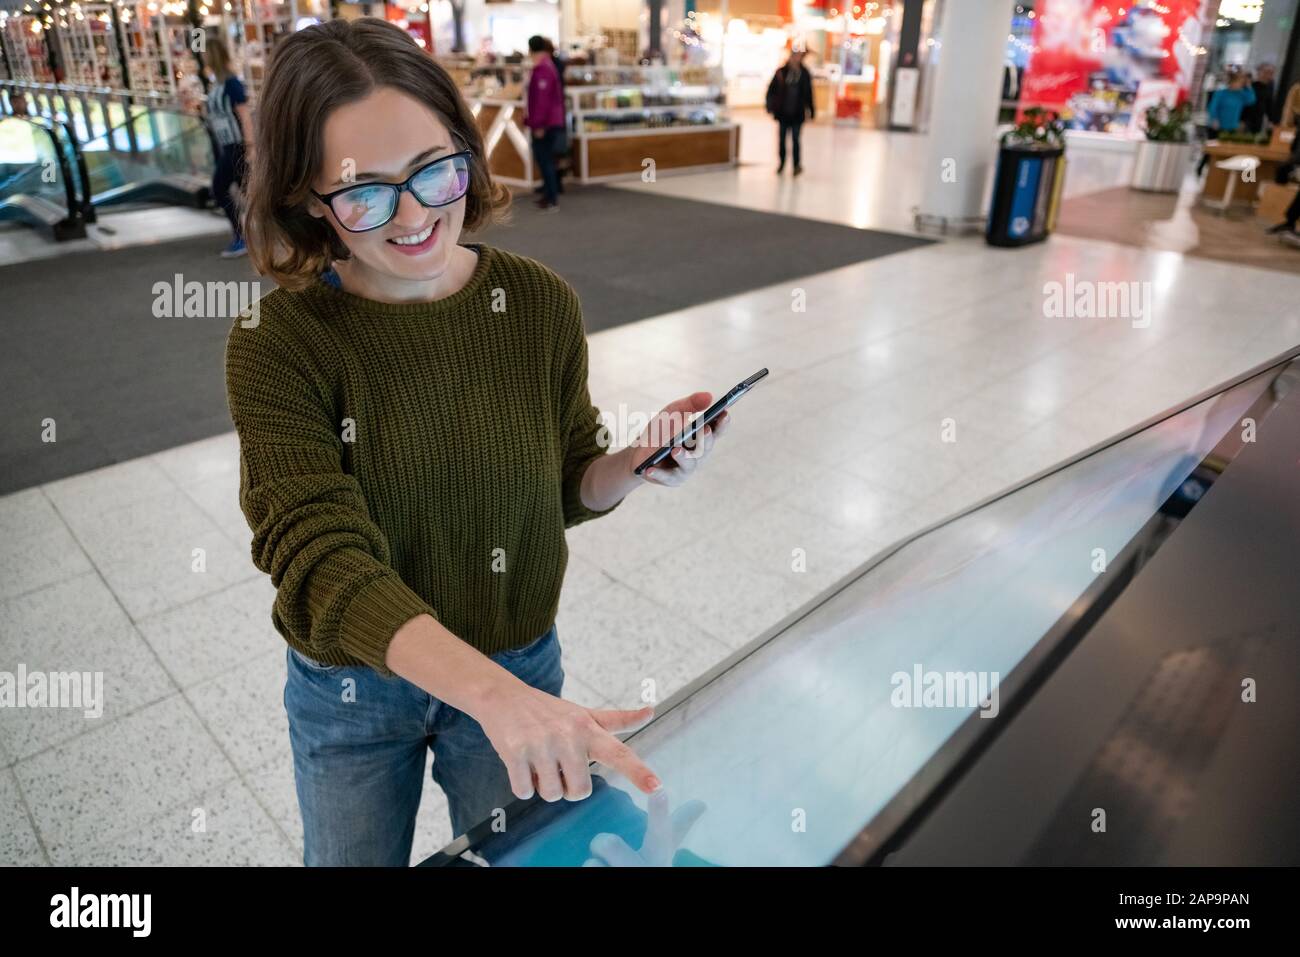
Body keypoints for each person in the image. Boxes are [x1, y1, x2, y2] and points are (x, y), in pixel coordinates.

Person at [228, 17, 734, 867]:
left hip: (516, 652)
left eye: (434, 171)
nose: (417, 214)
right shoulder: (278, 343)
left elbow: (568, 481)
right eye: (366, 193)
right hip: (355, 691)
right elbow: (320, 558)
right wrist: (497, 696)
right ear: (308, 200)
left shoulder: (537, 303)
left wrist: (634, 462)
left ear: (466, 147)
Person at [203, 35, 254, 258]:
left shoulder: (231, 83)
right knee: (249, 192)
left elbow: (244, 115)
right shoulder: (219, 84)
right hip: (228, 145)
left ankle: (242, 237)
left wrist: (251, 146)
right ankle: (244, 236)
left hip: (237, 146)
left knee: (222, 188)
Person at [525, 35, 565, 211]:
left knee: (545, 160)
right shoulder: (547, 66)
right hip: (550, 122)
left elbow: (542, 100)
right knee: (546, 159)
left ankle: (551, 198)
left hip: (546, 124)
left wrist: (538, 124)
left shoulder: (543, 69)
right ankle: (549, 195)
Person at [765, 48, 815, 175]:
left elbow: (809, 93)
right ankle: (781, 163)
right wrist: (770, 106)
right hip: (783, 113)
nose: (796, 59)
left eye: (799, 57)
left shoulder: (804, 73)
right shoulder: (781, 72)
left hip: (797, 113)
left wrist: (811, 109)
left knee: (795, 139)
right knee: (782, 140)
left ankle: (796, 165)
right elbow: (771, 90)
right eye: (795, 56)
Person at [1198, 71, 1256, 175]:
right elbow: (1212, 108)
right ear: (1232, 82)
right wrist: (1214, 119)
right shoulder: (1221, 93)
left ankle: (1218, 173)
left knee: (1225, 151)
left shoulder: (1240, 95)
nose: (1240, 85)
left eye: (1242, 83)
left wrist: (1248, 86)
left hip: (1231, 126)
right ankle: (1201, 168)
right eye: (1239, 82)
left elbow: (1251, 100)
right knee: (1211, 150)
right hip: (1217, 126)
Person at [1245, 62, 1277, 133]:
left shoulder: (1270, 85)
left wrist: (1271, 120)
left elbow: (1269, 104)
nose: (1268, 76)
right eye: (1266, 72)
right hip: (1246, 118)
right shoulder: (1250, 84)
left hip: (1258, 119)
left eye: (1271, 73)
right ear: (1259, 72)